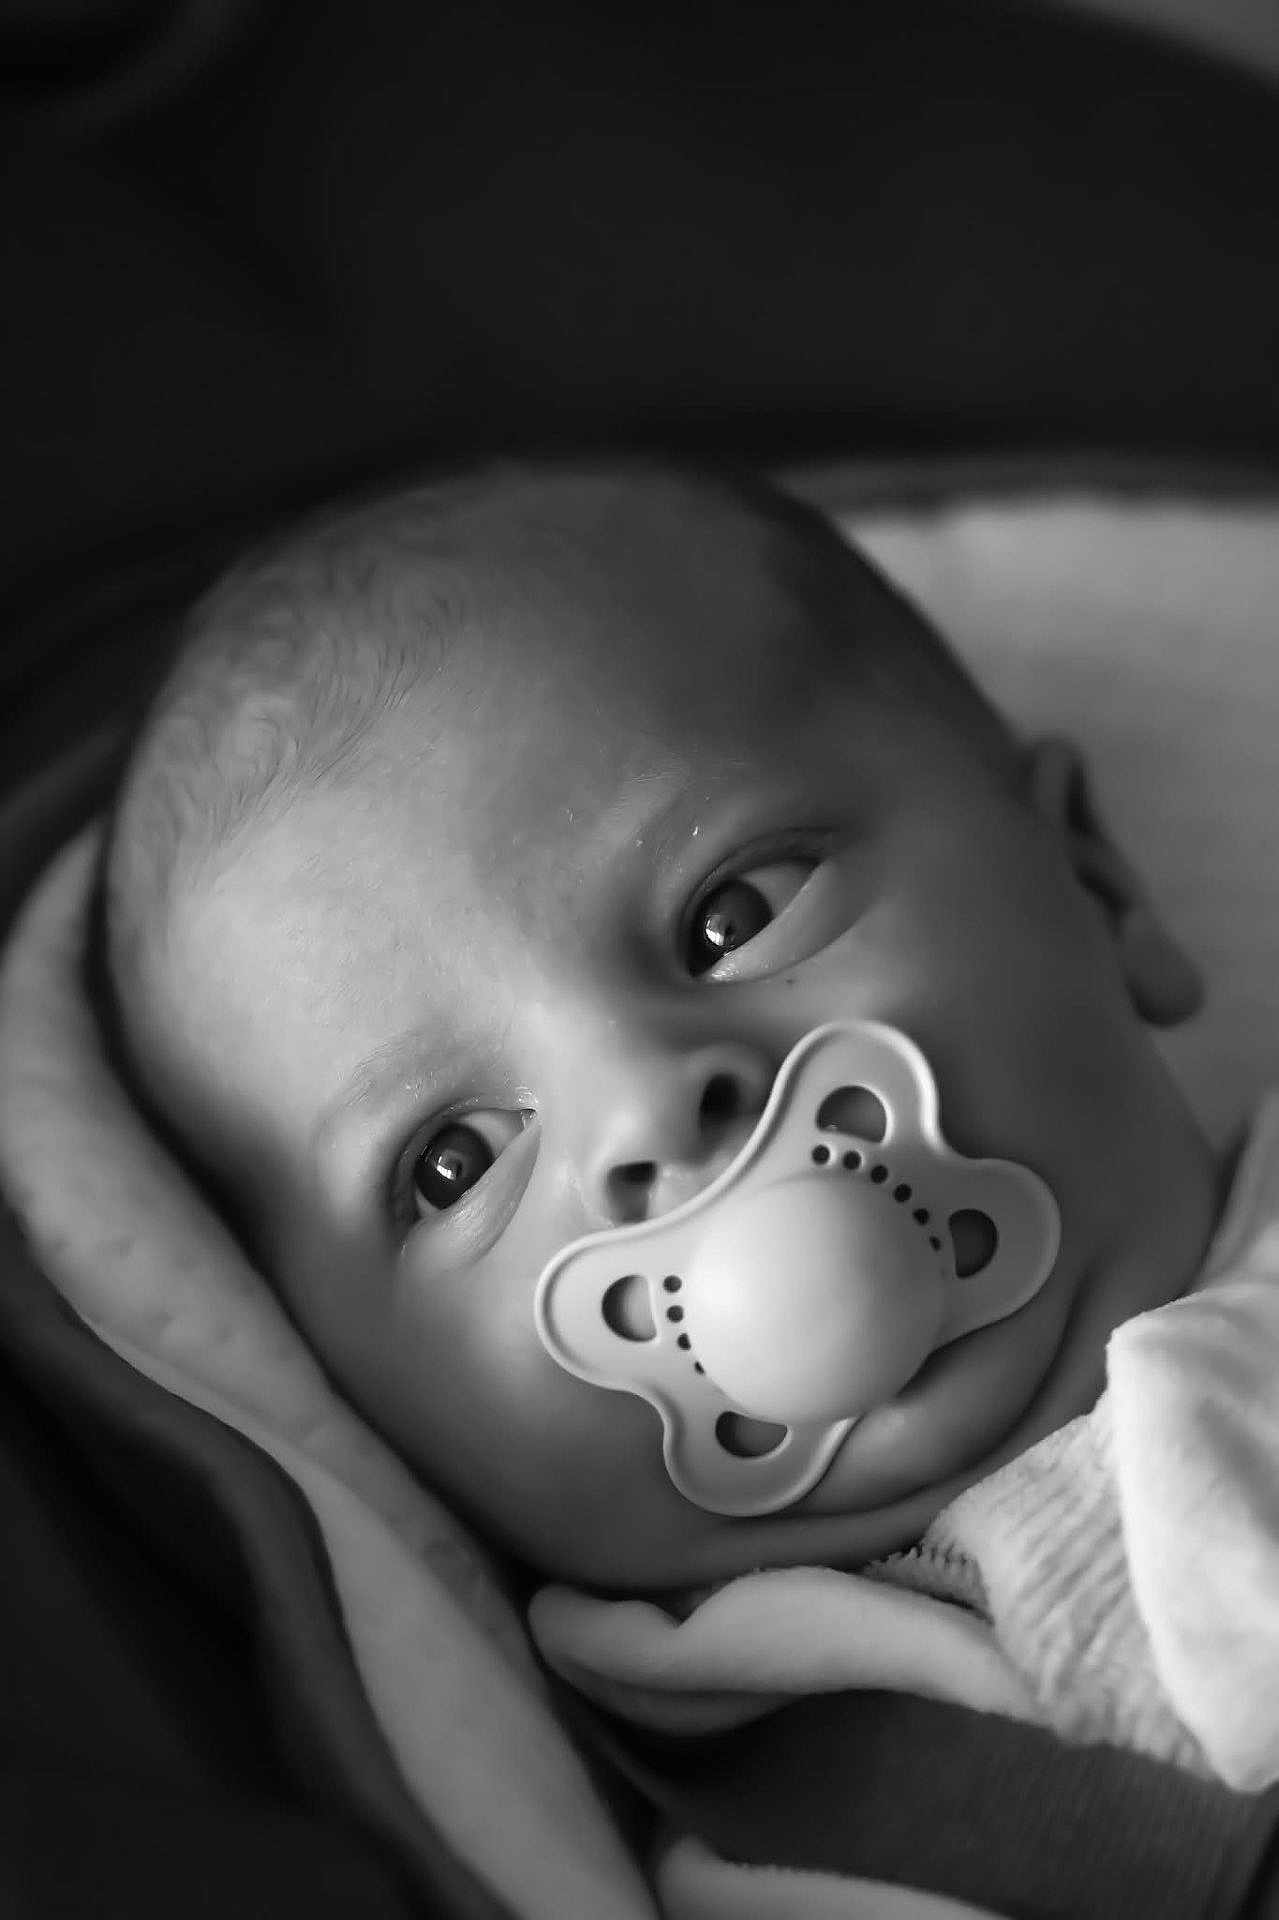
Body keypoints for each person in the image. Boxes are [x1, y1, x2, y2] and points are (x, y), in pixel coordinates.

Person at [97, 455, 1272, 1798]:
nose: (649, 1103)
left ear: (1094, 885)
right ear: (353, 1401)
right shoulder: (616, 1819)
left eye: (734, 913)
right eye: (454, 1164)